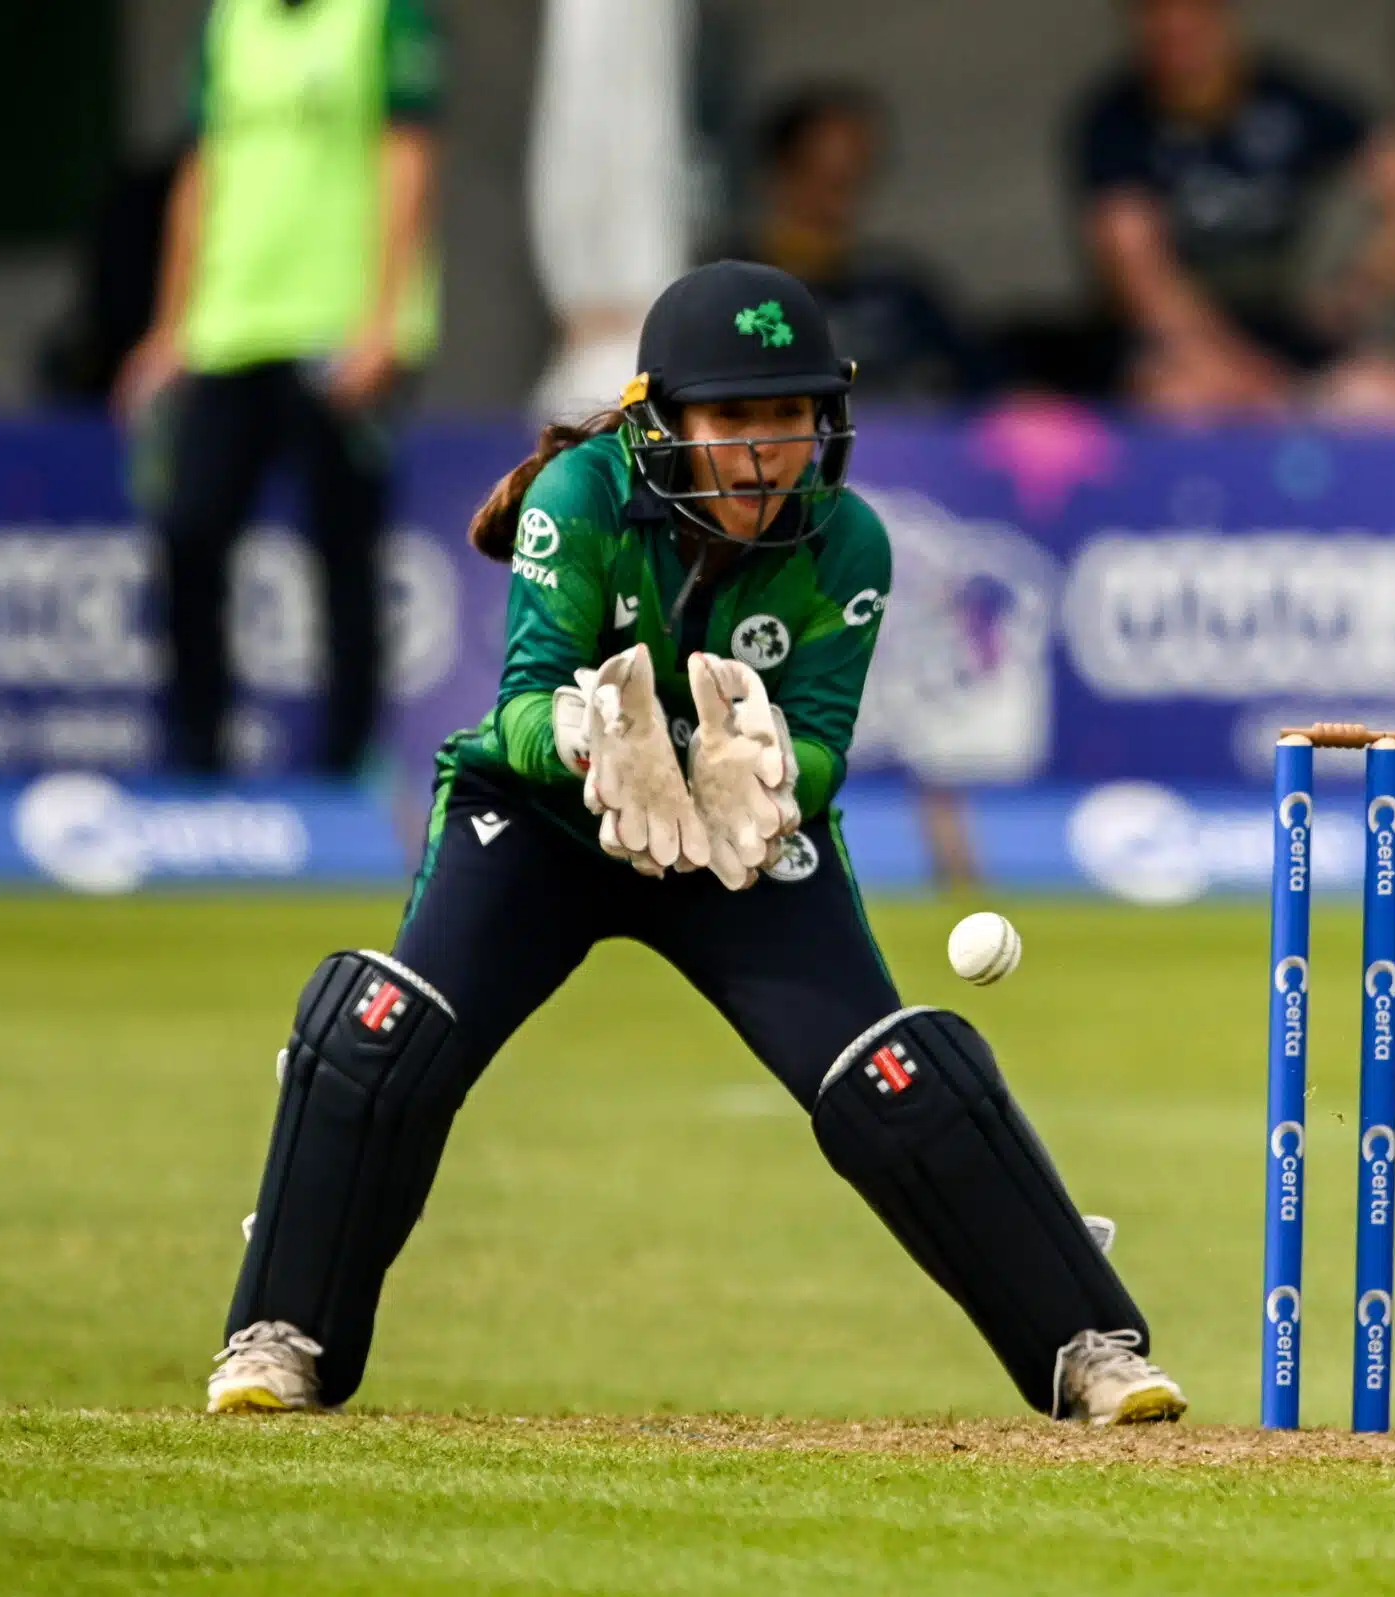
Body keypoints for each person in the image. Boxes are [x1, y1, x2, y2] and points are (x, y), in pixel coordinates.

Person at [204, 261, 1187, 1427]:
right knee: (383, 1034)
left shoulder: (848, 543)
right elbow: (520, 698)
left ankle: (1088, 1345)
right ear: (662, 418)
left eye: (790, 416)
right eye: (734, 418)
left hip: (735, 843)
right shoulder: (576, 496)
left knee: (897, 1075)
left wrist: (768, 776)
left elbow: (822, 742)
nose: (766, 452)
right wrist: (578, 737)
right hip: (547, 823)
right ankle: (280, 1338)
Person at [115, 0, 443, 777]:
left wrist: (384, 322)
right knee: (189, 532)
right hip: (227, 329)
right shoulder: (230, 20)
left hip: (336, 334)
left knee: (344, 553)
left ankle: (347, 763)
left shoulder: (384, 16)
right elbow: (202, 169)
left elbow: (408, 160)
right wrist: (170, 324)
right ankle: (197, 757)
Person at [1070, 0, 1395, 422]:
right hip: (1170, 341)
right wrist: (1235, 370)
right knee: (1179, 405)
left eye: (1194, 13)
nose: (1177, 27)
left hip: (1282, 325)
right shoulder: (1112, 120)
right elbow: (1138, 270)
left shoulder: (1289, 98)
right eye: (1158, 14)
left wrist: (1356, 292)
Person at [745, 84, 995, 403]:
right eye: (825, 175)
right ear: (778, 174)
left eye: (856, 177)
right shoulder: (727, 294)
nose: (839, 201)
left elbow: (976, 393)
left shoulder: (902, 297)